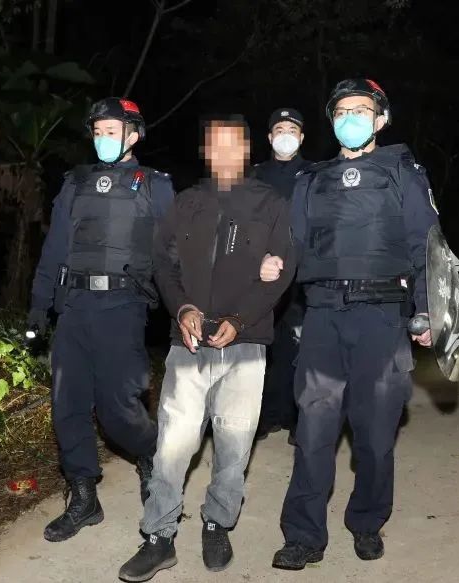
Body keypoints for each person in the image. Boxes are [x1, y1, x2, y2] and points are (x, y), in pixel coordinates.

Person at [259, 79, 437, 570]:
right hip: (322, 318)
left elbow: (426, 246)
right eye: (341, 111)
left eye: (360, 110)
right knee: (313, 430)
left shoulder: (402, 172)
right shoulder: (312, 180)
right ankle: (303, 535)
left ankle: (367, 521)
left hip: (382, 319)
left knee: (375, 435)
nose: (350, 118)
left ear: (381, 119)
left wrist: (428, 310)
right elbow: (293, 244)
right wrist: (274, 263)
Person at [118, 115, 296, 582]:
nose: (223, 154)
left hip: (246, 343)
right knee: (173, 443)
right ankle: (158, 536)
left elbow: (284, 270)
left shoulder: (271, 203)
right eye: (215, 145)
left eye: (232, 145)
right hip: (190, 344)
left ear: (247, 150)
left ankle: (218, 522)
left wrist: (241, 320)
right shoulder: (187, 202)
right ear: (206, 152)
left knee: (234, 444)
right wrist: (182, 308)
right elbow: (163, 264)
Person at [27, 97, 175, 543]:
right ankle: (84, 496)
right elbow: (55, 247)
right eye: (98, 131)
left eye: (112, 131)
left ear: (134, 135)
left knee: (117, 409)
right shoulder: (75, 182)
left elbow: (172, 254)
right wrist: (39, 306)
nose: (103, 138)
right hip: (74, 307)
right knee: (67, 405)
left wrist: (184, 309)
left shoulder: (155, 186)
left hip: (123, 307)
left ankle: (150, 454)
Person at [252, 108, 310, 442]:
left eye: (292, 129)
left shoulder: (315, 175)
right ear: (270, 137)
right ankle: (266, 414)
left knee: (305, 348)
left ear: (301, 137)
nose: (285, 135)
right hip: (263, 274)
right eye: (279, 129)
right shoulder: (254, 176)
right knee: (266, 347)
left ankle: (301, 418)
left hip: (304, 275)